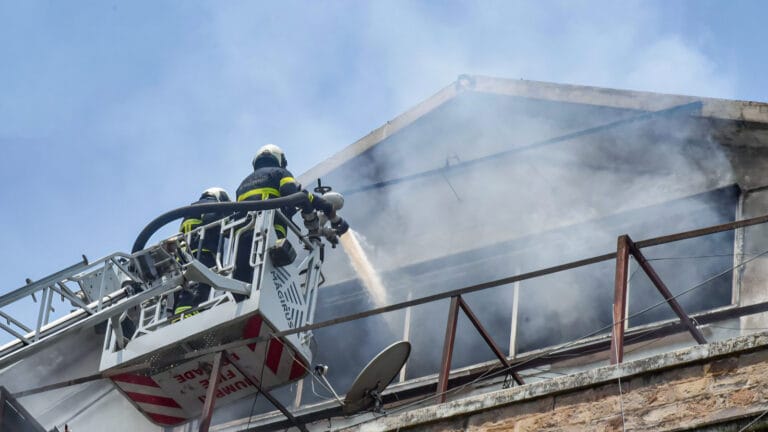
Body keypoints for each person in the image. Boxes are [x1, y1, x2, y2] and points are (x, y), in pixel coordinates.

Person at [233, 144, 348, 282]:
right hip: (271, 234)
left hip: (242, 238)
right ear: (280, 159)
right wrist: (325, 212)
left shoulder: (242, 185)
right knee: (273, 280)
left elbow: (298, 196)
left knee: (243, 282)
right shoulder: (280, 173)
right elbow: (293, 194)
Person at [174, 187, 231, 318]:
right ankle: (193, 311)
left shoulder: (189, 211)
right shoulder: (210, 204)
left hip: (185, 256)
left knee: (185, 287)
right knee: (202, 284)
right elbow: (211, 220)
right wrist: (226, 221)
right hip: (203, 252)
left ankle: (179, 314)